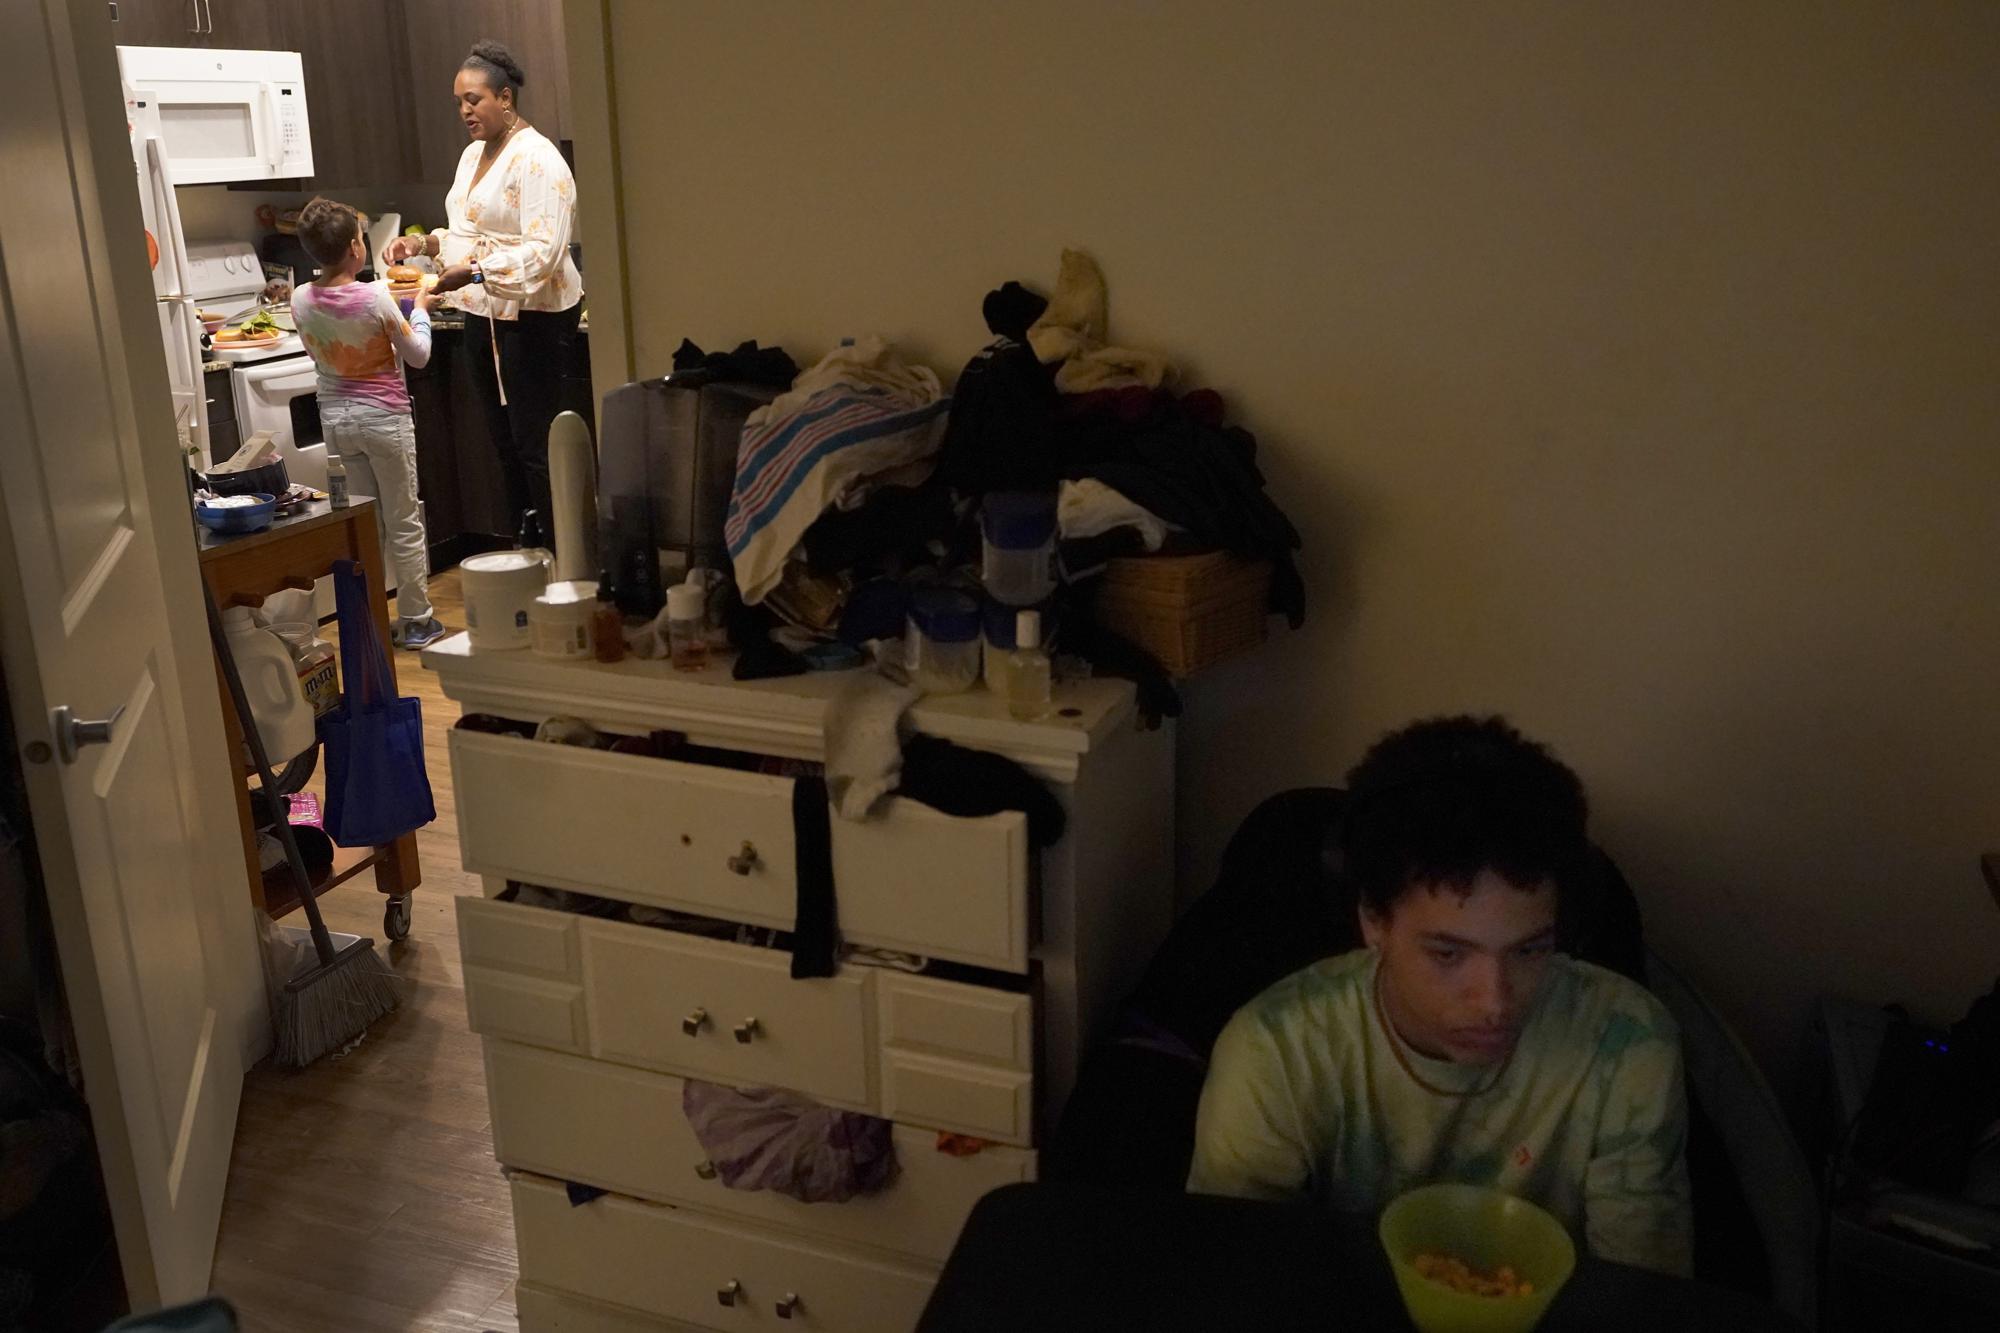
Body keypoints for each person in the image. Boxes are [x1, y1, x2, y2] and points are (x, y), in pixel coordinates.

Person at [1186, 715, 1693, 1276]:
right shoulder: (1275, 1053)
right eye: (1448, 954)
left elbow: (1644, 1295)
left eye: (1528, 950)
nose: (1495, 1002)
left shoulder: (1627, 1044)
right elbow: (1235, 1280)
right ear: (1373, 922)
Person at [382, 38, 583, 540]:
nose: (465, 112)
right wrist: (424, 244)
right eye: (459, 102)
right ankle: (527, 549)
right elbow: (467, 233)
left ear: (505, 98)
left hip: (535, 316)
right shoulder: (473, 156)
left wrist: (474, 273)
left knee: (537, 445)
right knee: (503, 442)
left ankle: (565, 556)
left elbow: (543, 252)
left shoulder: (539, 160)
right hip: (482, 312)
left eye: (474, 100)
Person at [291, 197, 458, 649]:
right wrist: (420, 309)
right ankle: (417, 621)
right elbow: (418, 356)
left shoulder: (300, 298)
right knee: (404, 521)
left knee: (364, 525)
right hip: (384, 420)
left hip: (336, 423)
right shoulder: (374, 296)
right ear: (355, 248)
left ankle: (369, 623)